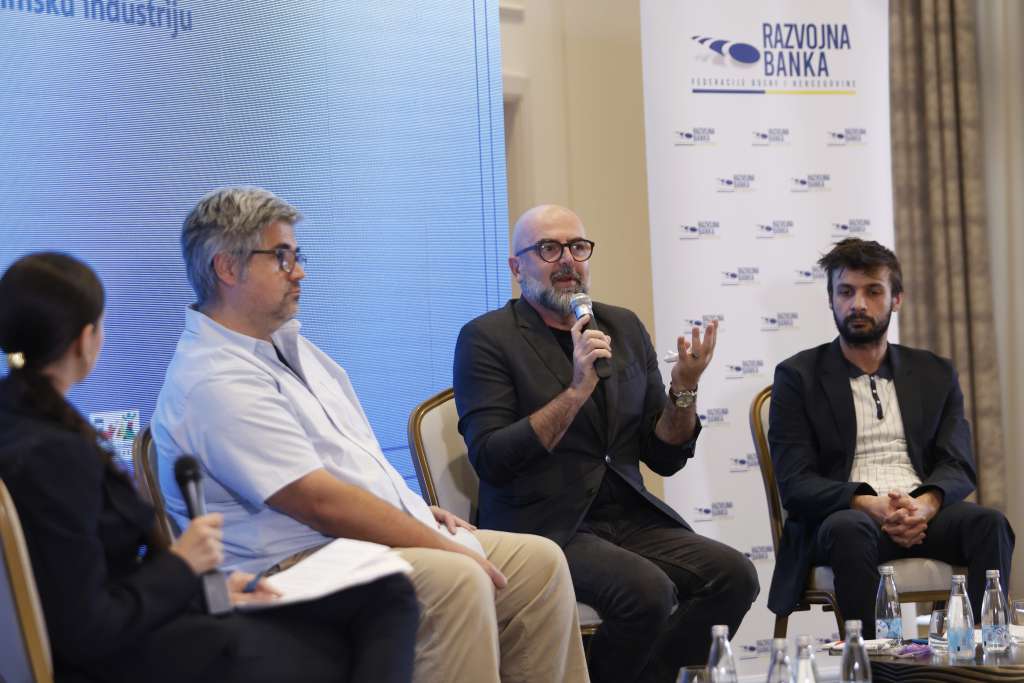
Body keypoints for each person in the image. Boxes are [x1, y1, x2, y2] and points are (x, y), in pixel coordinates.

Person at [152, 186, 590, 683]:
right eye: (281, 257)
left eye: (297, 256)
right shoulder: (213, 378)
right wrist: (435, 542)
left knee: (539, 564)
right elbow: (319, 500)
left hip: (345, 545)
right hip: (286, 568)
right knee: (457, 577)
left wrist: (413, 509)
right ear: (227, 269)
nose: (299, 272)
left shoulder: (293, 349)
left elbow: (354, 460)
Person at [0, 252, 419, 683]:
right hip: (127, 654)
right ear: (86, 338)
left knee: (384, 592)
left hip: (152, 622)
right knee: (367, 618)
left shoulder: (25, 423)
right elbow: (88, 624)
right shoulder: (51, 454)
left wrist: (198, 589)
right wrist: (184, 566)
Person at [453, 205, 759, 683]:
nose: (567, 260)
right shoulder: (486, 339)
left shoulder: (623, 327)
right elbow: (492, 459)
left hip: (628, 517)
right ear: (516, 267)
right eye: (549, 249)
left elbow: (663, 455)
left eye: (577, 247)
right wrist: (577, 390)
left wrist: (684, 389)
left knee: (734, 575)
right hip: (544, 526)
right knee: (646, 592)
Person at [767, 238, 1014, 637]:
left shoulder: (935, 373)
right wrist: (869, 503)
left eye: (873, 291)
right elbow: (796, 483)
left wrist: (924, 506)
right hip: (845, 520)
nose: (858, 304)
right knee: (850, 529)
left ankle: (980, 653)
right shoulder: (798, 377)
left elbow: (957, 463)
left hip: (921, 516)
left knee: (990, 525)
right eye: (845, 292)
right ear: (831, 300)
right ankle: (877, 663)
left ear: (896, 299)